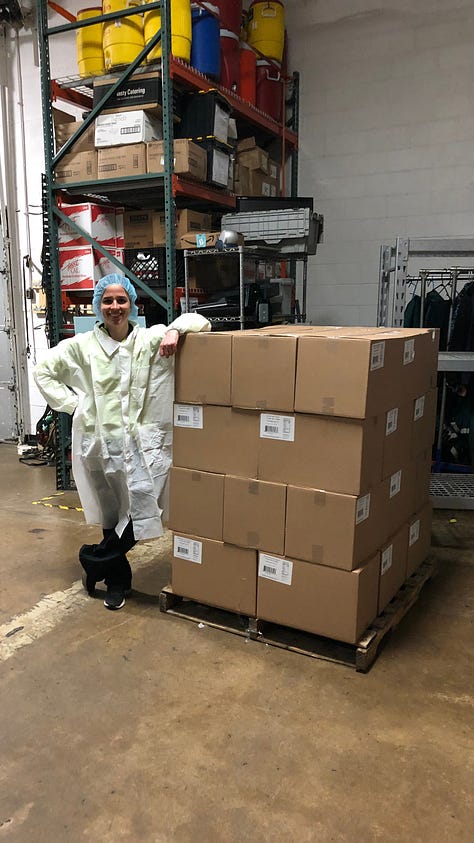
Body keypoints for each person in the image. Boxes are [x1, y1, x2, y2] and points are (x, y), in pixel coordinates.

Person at [33, 273, 210, 610]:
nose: (115, 307)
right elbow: (43, 370)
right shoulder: (82, 347)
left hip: (143, 448)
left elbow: (200, 322)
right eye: (107, 301)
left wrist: (174, 329)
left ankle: (95, 560)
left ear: (132, 304)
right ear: (99, 306)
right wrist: (75, 405)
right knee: (112, 517)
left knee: (145, 510)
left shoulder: (148, 339)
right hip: (100, 446)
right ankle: (117, 582)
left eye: (121, 300)